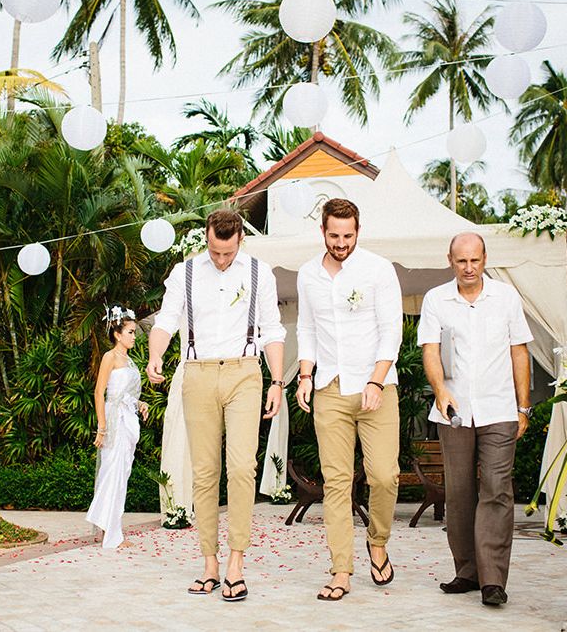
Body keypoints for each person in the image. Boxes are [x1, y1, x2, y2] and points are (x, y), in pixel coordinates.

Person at [147, 208, 285, 602]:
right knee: (205, 473)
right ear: (206, 238)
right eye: (214, 251)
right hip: (198, 372)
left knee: (242, 468)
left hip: (245, 372)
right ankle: (209, 563)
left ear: (240, 239)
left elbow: (273, 329)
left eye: (227, 252)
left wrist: (277, 381)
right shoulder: (185, 272)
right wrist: (155, 356)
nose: (220, 259)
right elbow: (166, 320)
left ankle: (236, 564)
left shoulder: (260, 272)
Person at [295, 198, 403, 602]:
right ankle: (341, 569)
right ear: (322, 232)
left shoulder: (378, 269)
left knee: (383, 476)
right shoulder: (308, 274)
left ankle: (378, 540)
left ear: (359, 231)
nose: (341, 243)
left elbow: (391, 330)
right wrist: (305, 375)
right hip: (328, 388)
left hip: (376, 387)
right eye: (334, 235)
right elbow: (306, 328)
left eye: (348, 235)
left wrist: (375, 382)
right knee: (336, 484)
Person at [417, 232, 532, 607]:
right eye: (461, 261)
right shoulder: (436, 299)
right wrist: (440, 391)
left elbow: (519, 352)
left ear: (485, 259)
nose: (469, 268)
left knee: (497, 488)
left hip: (499, 409)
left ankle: (493, 580)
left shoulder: (506, 298)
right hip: (454, 412)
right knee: (460, 492)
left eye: (475, 260)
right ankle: (467, 571)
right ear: (450, 260)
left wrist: (523, 406)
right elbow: (431, 352)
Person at [87, 305, 149, 549]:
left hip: (127, 420)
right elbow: (99, 392)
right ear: (117, 334)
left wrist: (140, 403)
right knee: (111, 473)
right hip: (114, 421)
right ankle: (112, 534)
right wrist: (102, 427)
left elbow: (127, 394)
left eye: (134, 332)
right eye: (131, 332)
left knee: (121, 474)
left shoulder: (129, 361)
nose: (134, 336)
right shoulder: (109, 357)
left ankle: (110, 527)